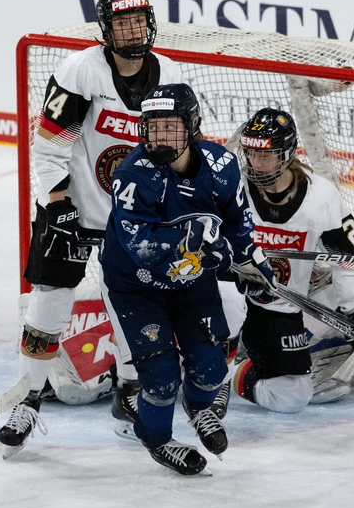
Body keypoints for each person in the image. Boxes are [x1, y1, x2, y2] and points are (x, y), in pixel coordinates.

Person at [4, 0, 183, 455]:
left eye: (139, 19)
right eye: (122, 22)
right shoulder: (81, 70)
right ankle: (28, 397)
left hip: (132, 217)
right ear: (106, 29)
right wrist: (58, 205)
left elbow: (177, 151)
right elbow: (49, 146)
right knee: (49, 301)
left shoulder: (170, 74)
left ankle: (129, 392)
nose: (133, 29)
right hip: (75, 209)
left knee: (132, 306)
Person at [99, 83, 276, 476]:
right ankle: (158, 440)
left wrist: (251, 262)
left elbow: (237, 224)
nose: (160, 136)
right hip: (135, 287)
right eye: (153, 127)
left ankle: (198, 408)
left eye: (170, 126)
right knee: (161, 378)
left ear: (192, 125)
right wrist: (197, 246)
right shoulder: (132, 174)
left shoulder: (221, 166)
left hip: (190, 283)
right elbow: (141, 246)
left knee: (212, 368)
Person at [226, 108, 354, 413]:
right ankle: (212, 360)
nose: (257, 163)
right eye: (251, 153)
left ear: (287, 154)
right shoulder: (233, 186)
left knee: (292, 398)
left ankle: (232, 370)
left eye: (266, 155)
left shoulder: (320, 196)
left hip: (278, 308)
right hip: (230, 299)